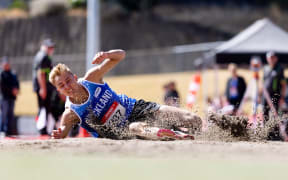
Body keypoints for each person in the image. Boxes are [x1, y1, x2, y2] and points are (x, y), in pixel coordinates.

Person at [49, 49, 202, 140]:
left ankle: (205, 135)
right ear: (59, 91)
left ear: (75, 78)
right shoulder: (70, 113)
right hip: (123, 129)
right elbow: (62, 132)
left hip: (135, 107)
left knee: (194, 119)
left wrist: (106, 55)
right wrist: (59, 133)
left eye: (68, 80)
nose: (67, 86)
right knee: (137, 128)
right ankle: (176, 136)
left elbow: (121, 55)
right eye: (62, 85)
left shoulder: (92, 78)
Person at [32, 38, 57, 135]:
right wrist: (43, 88)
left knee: (46, 108)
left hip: (45, 87)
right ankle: (42, 129)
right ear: (44, 46)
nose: (51, 49)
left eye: (52, 47)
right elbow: (40, 74)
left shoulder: (44, 56)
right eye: (49, 47)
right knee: (44, 108)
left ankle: (44, 129)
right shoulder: (43, 57)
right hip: (44, 87)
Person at [263, 51, 286, 122]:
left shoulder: (280, 69)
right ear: (267, 59)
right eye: (270, 58)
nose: (271, 59)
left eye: (273, 58)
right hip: (266, 95)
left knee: (275, 113)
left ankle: (275, 131)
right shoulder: (265, 68)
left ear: (276, 58)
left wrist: (282, 97)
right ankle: (265, 131)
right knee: (265, 113)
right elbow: (263, 82)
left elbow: (283, 84)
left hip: (275, 95)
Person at [0, 57, 20, 136]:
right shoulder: (1, 74)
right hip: (5, 97)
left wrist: (16, 90)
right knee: (3, 115)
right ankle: (2, 130)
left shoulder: (13, 73)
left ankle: (9, 131)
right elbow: (3, 86)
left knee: (11, 114)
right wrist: (12, 90)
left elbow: (17, 83)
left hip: (12, 97)